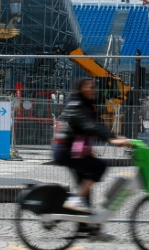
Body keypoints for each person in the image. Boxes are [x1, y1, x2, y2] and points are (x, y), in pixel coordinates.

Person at [53, 78, 131, 214]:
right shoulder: (77, 104)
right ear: (81, 89)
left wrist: (115, 137)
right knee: (99, 167)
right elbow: (89, 125)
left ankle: (85, 228)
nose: (92, 90)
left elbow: (98, 125)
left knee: (85, 187)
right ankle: (75, 201)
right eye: (88, 87)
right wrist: (111, 139)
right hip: (66, 150)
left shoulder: (86, 104)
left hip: (74, 151)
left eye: (93, 87)